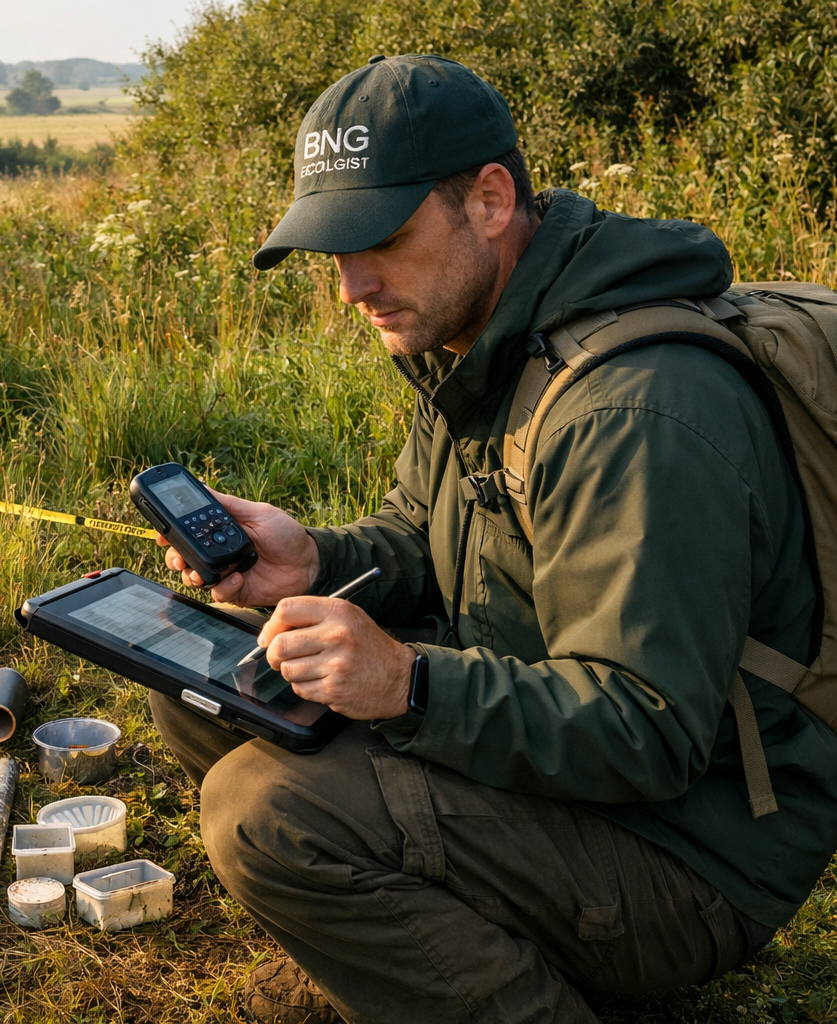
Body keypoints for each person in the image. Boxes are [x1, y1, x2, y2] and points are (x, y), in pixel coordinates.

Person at [152, 55, 837, 1024]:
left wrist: (408, 685)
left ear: (488, 199)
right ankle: (451, 949)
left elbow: (646, 728)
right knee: (212, 692)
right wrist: (315, 562)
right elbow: (424, 539)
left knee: (268, 812)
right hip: (571, 760)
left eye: (378, 238)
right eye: (330, 253)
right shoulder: (477, 336)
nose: (351, 286)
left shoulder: (635, 412)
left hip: (692, 846)